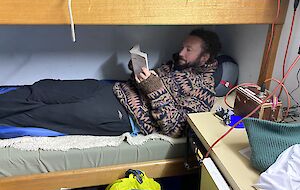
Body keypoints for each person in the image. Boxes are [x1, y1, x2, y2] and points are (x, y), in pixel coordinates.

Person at [0, 29, 221, 138]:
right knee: (43, 88)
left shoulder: (203, 92)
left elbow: (176, 128)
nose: (180, 52)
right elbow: (150, 84)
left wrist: (154, 88)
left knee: (45, 114)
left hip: (125, 115)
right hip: (112, 90)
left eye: (188, 50)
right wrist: (139, 72)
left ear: (205, 57)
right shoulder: (176, 65)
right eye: (183, 46)